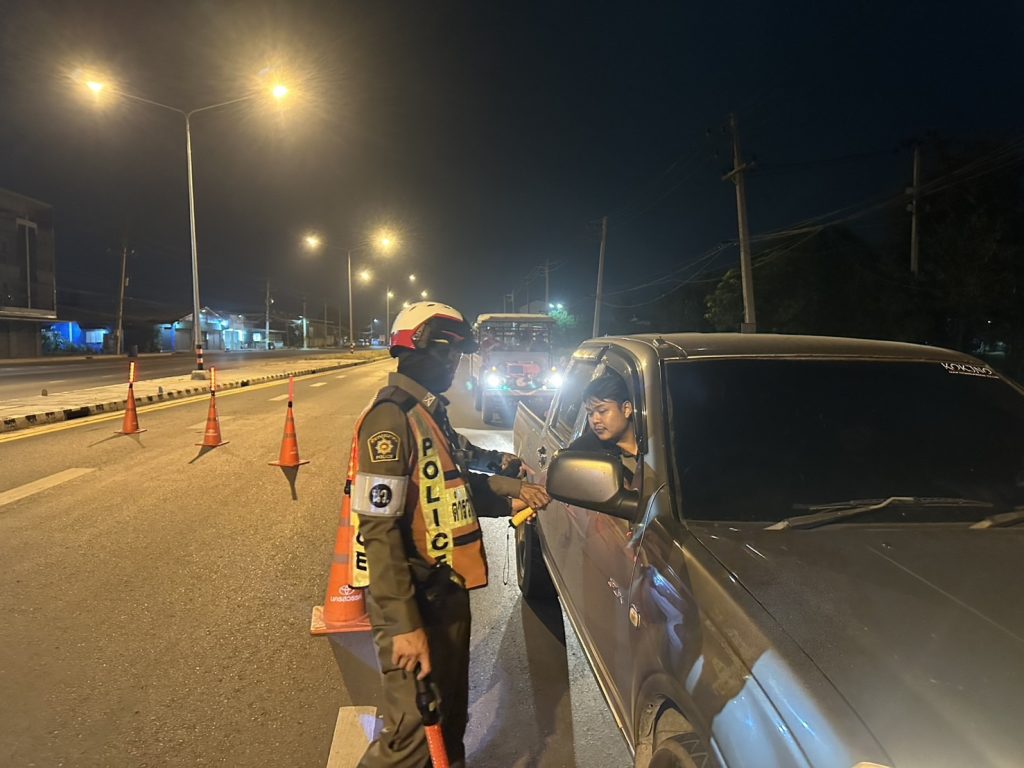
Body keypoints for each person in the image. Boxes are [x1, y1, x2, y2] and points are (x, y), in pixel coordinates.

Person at [350, 301, 550, 768]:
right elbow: (378, 529)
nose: (454, 364)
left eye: (458, 354)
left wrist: (512, 495)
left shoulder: (427, 414)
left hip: (445, 591)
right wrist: (404, 626)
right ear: (416, 349)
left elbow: (451, 485)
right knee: (411, 738)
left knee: (450, 719)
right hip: (414, 598)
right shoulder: (390, 419)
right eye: (447, 353)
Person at [568, 372, 642, 486]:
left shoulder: (657, 440)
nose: (595, 420)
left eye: (602, 411)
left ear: (626, 409)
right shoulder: (583, 451)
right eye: (590, 413)